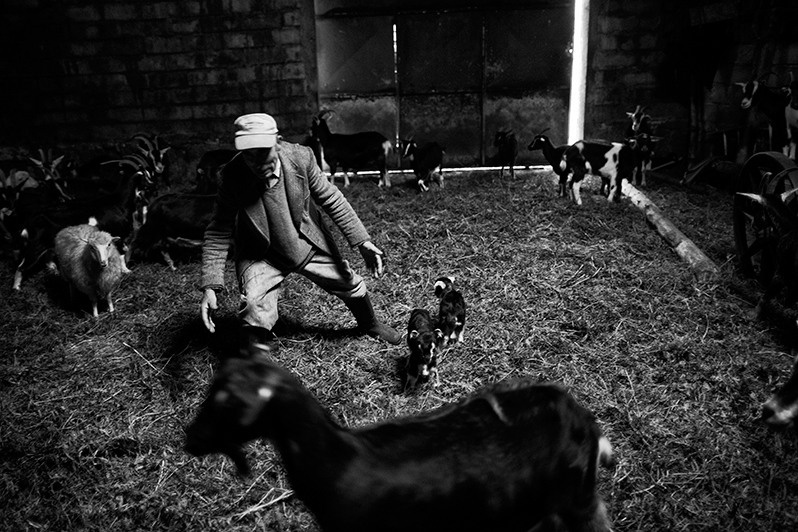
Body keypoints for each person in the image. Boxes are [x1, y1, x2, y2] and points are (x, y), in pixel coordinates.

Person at [199, 113, 401, 347]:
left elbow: (331, 198)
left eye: (263, 152)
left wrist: (362, 241)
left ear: (278, 141)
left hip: (305, 243)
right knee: (254, 306)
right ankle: (255, 357)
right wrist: (210, 285)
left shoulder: (300, 158)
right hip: (262, 253)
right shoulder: (231, 175)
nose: (256, 162)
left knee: (349, 281)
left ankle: (370, 324)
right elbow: (217, 231)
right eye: (249, 154)